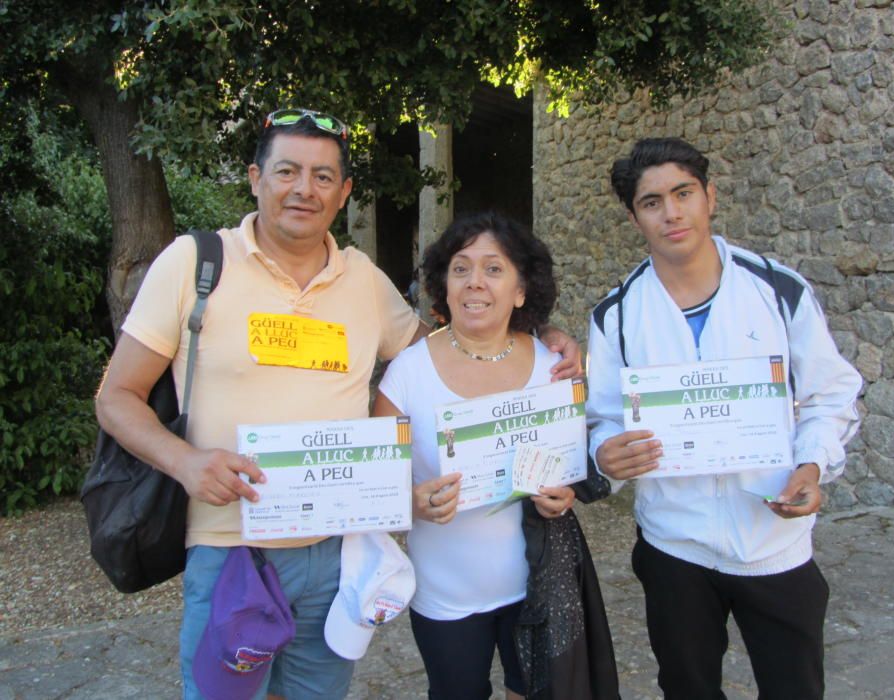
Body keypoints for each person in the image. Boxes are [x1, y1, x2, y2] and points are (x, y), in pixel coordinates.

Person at [95, 110, 581, 700]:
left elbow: (451, 349)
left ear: (344, 192)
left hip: (337, 552)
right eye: (288, 171)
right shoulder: (194, 265)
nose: (305, 188)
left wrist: (538, 334)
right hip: (231, 547)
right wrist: (186, 463)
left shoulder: (363, 281)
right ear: (255, 178)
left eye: (324, 176)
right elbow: (115, 399)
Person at [586, 137, 862, 699]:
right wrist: (604, 454)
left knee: (795, 689)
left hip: (773, 542)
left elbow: (832, 396)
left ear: (709, 196)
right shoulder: (615, 317)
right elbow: (605, 420)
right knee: (687, 689)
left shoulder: (778, 290)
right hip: (674, 547)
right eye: (652, 202)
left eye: (683, 193)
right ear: (635, 217)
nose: (672, 212)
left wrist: (811, 468)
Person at [374, 212, 618, 700]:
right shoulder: (406, 373)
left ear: (520, 290)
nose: (474, 283)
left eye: (493, 269)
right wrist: (413, 501)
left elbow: (572, 464)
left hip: (535, 585)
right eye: (460, 269)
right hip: (445, 593)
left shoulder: (555, 367)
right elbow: (378, 486)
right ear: (444, 286)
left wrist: (562, 494)